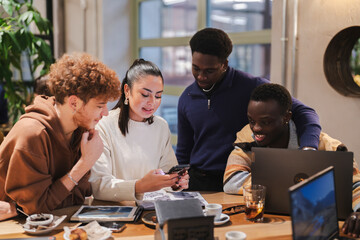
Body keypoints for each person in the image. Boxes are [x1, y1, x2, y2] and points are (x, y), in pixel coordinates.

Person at [176, 27, 322, 191]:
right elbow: (183, 150)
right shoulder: (186, 98)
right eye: (196, 68)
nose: (201, 76)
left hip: (240, 178)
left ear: (224, 64)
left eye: (210, 71)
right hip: (198, 181)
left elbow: (306, 113)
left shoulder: (252, 86)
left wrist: (309, 148)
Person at [222, 83, 360, 237]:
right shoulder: (247, 138)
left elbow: (354, 181)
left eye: (266, 122)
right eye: (251, 120)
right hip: (268, 225)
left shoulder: (322, 144)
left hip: (317, 227)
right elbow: (231, 179)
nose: (256, 129)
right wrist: (290, 184)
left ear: (286, 117)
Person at [0, 52, 120, 220]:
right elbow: (37, 209)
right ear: (74, 103)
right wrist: (84, 164)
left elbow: (77, 197)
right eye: (100, 106)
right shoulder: (31, 134)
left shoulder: (81, 131)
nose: (106, 113)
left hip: (55, 223)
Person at [89, 59, 189, 202]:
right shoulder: (104, 125)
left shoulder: (160, 126)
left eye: (158, 95)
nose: (152, 102)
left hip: (152, 211)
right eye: (145, 94)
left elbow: (167, 175)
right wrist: (139, 186)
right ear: (127, 91)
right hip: (117, 213)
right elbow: (99, 186)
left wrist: (176, 182)